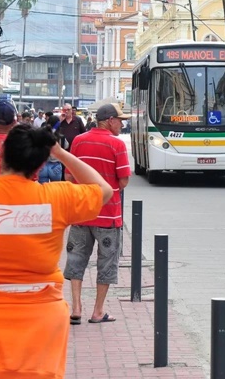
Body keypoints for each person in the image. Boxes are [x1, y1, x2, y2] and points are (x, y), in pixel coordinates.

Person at [0, 124, 113, 378]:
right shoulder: (57, 197)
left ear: (0, 154)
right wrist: (60, 153)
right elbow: (105, 190)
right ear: (39, 166)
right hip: (41, 320)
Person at [64, 103, 131, 325]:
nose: (122, 124)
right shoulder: (117, 144)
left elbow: (69, 177)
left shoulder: (78, 141)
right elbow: (123, 181)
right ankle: (98, 310)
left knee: (76, 259)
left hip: (81, 212)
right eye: (120, 120)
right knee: (106, 262)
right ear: (109, 120)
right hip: (108, 215)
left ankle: (76, 307)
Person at [38, 115, 68, 183]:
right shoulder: (61, 137)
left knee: (42, 189)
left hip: (43, 165)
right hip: (56, 166)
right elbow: (66, 146)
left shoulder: (43, 136)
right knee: (55, 189)